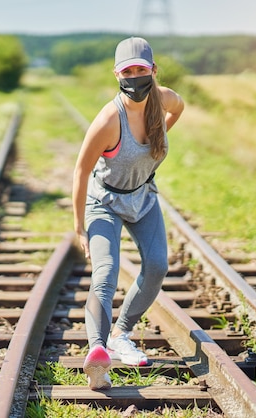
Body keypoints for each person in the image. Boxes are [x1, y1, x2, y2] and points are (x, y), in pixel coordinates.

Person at [72, 36, 184, 390]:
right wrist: (79, 227)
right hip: (104, 202)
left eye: (141, 70)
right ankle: (98, 356)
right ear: (117, 74)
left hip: (142, 197)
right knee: (105, 273)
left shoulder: (162, 99)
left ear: (152, 71)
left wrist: (158, 133)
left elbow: (177, 108)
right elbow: (80, 171)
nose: (134, 77)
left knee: (157, 267)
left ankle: (121, 333)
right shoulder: (108, 120)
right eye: (127, 71)